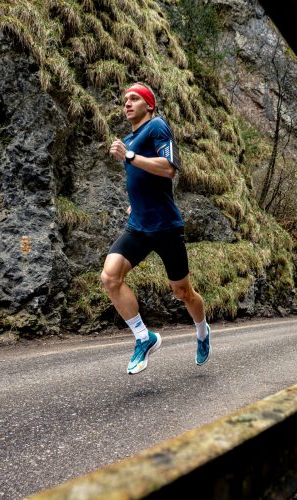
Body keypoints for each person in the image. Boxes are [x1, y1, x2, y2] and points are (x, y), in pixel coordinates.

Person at [102, 82, 211, 375]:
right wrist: (134, 203)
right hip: (138, 226)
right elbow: (142, 180)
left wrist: (129, 156)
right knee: (110, 277)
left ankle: (202, 332)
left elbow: (169, 168)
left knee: (183, 292)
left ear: (149, 105)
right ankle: (143, 337)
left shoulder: (157, 127)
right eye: (125, 99)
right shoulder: (130, 138)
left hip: (165, 227)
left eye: (134, 99)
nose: (127, 103)